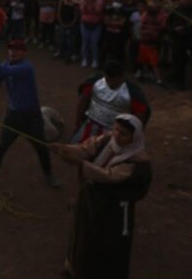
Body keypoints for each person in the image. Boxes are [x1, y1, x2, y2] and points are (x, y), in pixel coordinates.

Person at [51, 114, 152, 279]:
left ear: (134, 137)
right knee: (83, 234)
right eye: (116, 129)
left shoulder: (137, 163)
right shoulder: (107, 140)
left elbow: (108, 175)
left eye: (124, 133)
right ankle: (76, 268)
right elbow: (86, 149)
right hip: (92, 200)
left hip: (112, 210)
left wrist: (80, 163)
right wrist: (64, 148)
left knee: (105, 244)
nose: (117, 136)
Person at [0, 39, 59, 190]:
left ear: (24, 52)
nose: (12, 52)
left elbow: (7, 72)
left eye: (16, 50)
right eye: (10, 49)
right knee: (2, 146)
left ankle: (49, 175)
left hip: (31, 116)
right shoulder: (7, 65)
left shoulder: (26, 67)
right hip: (14, 115)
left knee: (41, 147)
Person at [71, 60, 150, 143]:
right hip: (91, 124)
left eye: (114, 80)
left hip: (115, 131)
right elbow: (82, 102)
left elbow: (139, 118)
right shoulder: (95, 83)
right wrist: (77, 124)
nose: (110, 83)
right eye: (107, 80)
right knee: (75, 144)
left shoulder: (132, 93)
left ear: (122, 77)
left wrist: (133, 136)